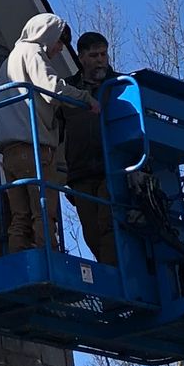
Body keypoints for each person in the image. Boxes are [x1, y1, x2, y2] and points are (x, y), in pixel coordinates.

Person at [0, 13, 75, 252]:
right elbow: (51, 88)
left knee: (20, 216)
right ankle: (47, 258)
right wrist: (84, 99)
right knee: (43, 212)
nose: (60, 49)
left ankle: (18, 261)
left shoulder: (8, 61)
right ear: (47, 34)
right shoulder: (33, 53)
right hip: (35, 150)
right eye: (60, 41)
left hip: (9, 153)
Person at [62, 31, 125, 266]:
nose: (100, 60)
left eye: (104, 54)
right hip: (80, 172)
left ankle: (112, 277)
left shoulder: (121, 85)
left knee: (110, 224)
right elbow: (53, 129)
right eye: (94, 55)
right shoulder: (67, 89)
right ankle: (109, 276)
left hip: (113, 167)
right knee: (91, 232)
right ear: (81, 58)